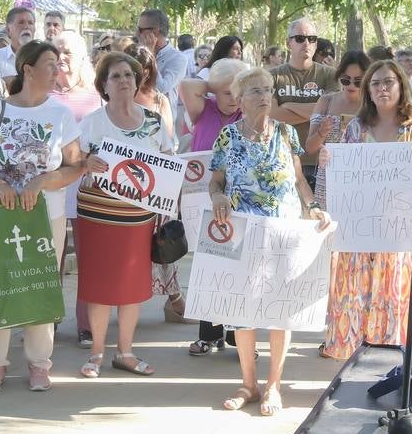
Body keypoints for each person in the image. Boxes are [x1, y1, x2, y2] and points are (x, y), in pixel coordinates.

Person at [0, 40, 85, 393]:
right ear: (28, 70)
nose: (57, 70)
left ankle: (38, 362)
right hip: (0, 214)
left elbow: (75, 165)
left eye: (59, 63)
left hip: (45, 215)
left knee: (38, 284)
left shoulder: (60, 113)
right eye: (50, 63)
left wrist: (44, 180)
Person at [209, 67, 328, 414]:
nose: (265, 96)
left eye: (268, 90)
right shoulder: (227, 137)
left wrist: (314, 207)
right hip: (244, 231)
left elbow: (298, 180)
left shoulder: (286, 133)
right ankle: (249, 384)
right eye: (256, 91)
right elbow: (216, 182)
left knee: (279, 309)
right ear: (240, 100)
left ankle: (274, 385)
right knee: (244, 310)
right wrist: (217, 197)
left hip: (283, 230)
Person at [320, 60, 412, 364]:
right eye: (374, 83)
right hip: (365, 235)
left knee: (400, 299)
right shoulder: (356, 128)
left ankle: (402, 366)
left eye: (388, 82)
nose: (381, 88)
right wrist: (328, 160)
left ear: (402, 85)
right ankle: (361, 363)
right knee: (363, 299)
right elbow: (342, 177)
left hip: (405, 235)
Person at [77, 51, 175, 379]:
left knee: (132, 284)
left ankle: (125, 352)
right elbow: (74, 166)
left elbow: (167, 162)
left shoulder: (154, 121)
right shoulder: (91, 122)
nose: (123, 81)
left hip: (138, 218)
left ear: (137, 82)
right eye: (115, 76)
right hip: (98, 217)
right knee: (100, 284)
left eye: (129, 75)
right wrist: (84, 164)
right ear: (103, 84)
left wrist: (165, 207)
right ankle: (96, 353)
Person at [178, 58, 247, 355]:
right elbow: (184, 86)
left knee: (239, 267)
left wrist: (237, 84)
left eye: (237, 91)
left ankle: (238, 338)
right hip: (203, 198)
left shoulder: (249, 112)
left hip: (239, 198)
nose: (232, 98)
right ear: (214, 92)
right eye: (226, 92)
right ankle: (208, 334)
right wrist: (218, 83)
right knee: (208, 265)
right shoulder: (202, 110)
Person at [50, 30, 102, 345]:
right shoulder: (42, 95)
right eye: (57, 52)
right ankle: (48, 319)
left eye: (68, 51)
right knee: (51, 255)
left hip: (87, 186)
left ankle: (86, 324)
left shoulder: (96, 95)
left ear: (82, 58)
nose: (62, 58)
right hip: (53, 186)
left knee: (88, 258)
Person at [127, 42, 185, 322]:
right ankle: (128, 300)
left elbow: (169, 144)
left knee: (163, 244)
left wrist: (171, 186)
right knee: (130, 247)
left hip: (157, 183)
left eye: (145, 70)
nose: (139, 76)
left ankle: (174, 298)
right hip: (126, 183)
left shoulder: (160, 100)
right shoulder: (117, 100)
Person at [270, 18, 338, 188]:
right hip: (282, 160)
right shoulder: (273, 76)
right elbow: (273, 116)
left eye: (312, 39)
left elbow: (330, 113)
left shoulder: (331, 75)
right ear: (288, 43)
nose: (306, 43)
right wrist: (316, 110)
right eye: (300, 38)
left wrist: (288, 106)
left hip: (321, 160)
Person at [305, 50, 369, 209]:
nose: (351, 85)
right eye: (346, 80)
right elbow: (310, 147)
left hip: (364, 180)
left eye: (358, 81)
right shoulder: (326, 101)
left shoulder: (373, 105)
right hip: (329, 181)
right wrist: (321, 132)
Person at [135, 8, 186, 95]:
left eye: (140, 30)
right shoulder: (136, 53)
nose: (137, 34)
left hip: (159, 108)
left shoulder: (178, 58)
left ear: (155, 31)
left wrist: (149, 55)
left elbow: (161, 89)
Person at [0, 6, 34, 78]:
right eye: (21, 22)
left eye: (30, 23)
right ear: (8, 30)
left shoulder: (43, 57)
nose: (27, 27)